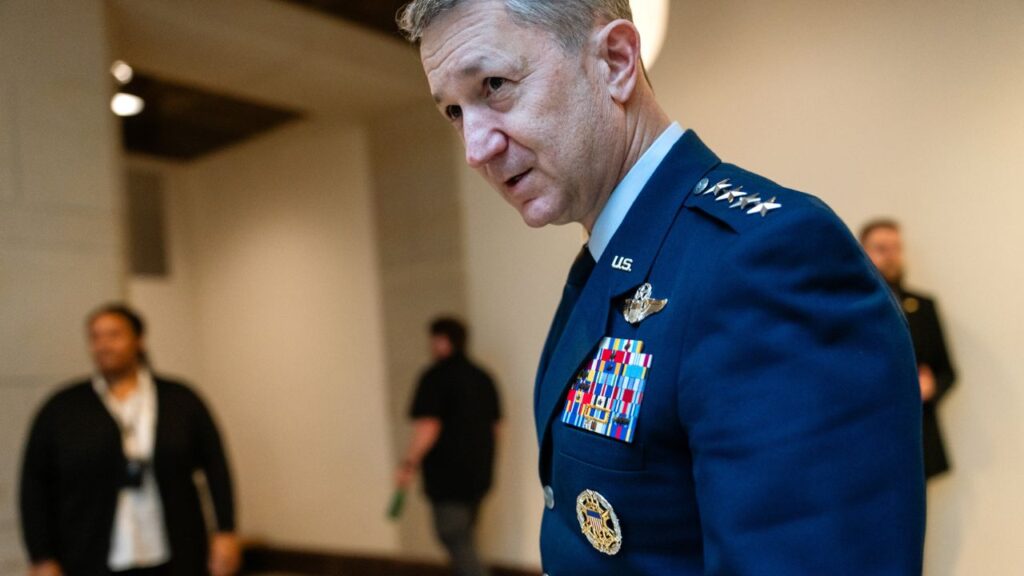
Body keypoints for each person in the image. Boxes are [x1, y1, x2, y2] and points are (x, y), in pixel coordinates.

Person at [397, 1, 925, 574]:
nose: (475, 149)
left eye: (495, 84)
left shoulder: (764, 260)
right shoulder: (616, 262)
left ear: (617, 61)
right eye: (453, 111)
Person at [19, 304, 240, 576]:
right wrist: (41, 555)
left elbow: (216, 467)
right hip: (90, 554)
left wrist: (225, 531)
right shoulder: (62, 408)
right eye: (95, 337)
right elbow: (34, 486)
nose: (104, 345)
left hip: (173, 551)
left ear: (139, 340)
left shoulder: (180, 400)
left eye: (114, 335)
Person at [395, 317, 501, 576]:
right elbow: (496, 428)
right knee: (464, 537)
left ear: (442, 340)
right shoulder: (483, 377)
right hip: (479, 475)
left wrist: (408, 463)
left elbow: (428, 426)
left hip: (448, 478)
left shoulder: (435, 377)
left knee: (454, 537)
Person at [861, 218, 957, 479]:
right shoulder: (848, 309)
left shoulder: (923, 307)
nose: (891, 256)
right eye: (881, 248)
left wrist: (932, 386)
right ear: (862, 251)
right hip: (865, 434)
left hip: (916, 435)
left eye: (896, 248)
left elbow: (947, 371)